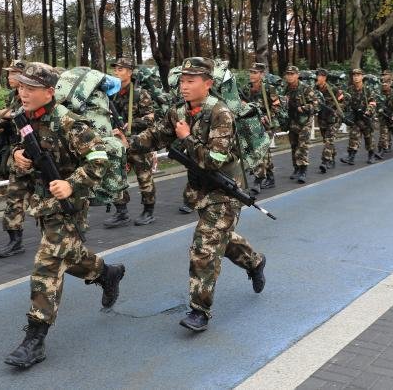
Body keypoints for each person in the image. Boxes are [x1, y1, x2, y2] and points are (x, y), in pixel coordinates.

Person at [124, 57, 266, 332]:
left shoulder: (220, 113)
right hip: (200, 189)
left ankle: (199, 311)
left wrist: (186, 137)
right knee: (220, 239)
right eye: (182, 80)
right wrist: (125, 146)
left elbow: (214, 159)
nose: (184, 86)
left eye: (191, 81)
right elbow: (157, 136)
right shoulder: (179, 111)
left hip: (225, 190)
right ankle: (255, 261)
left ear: (208, 84)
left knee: (205, 248)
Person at [4, 62, 125, 368]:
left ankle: (35, 338)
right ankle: (106, 273)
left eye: (30, 89)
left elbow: (99, 160)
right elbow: (23, 152)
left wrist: (72, 184)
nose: (23, 92)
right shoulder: (25, 118)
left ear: (49, 92)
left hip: (70, 207)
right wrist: (20, 157)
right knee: (67, 257)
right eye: (20, 87)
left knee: (46, 264)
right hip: (43, 205)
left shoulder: (71, 124)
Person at [104, 57, 157, 227]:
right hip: (118, 142)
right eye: (115, 69)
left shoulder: (140, 93)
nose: (116, 72)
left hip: (138, 142)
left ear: (130, 72)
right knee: (116, 177)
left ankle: (148, 211)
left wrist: (130, 124)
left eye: (121, 69)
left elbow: (150, 118)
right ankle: (121, 212)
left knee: (144, 178)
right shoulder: (110, 93)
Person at [0, 59, 31, 258]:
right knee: (14, 198)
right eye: (9, 74)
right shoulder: (12, 96)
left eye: (14, 73)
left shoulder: (33, 95)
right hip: (18, 154)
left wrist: (6, 114)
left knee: (51, 198)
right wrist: (0, 121)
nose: (10, 77)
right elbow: (8, 120)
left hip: (37, 154)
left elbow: (21, 114)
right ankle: (15, 241)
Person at [245, 62, 281, 193]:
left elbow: (277, 106)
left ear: (262, 74)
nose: (252, 75)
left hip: (267, 125)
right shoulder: (247, 88)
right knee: (265, 152)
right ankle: (270, 177)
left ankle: (258, 180)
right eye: (251, 72)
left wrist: (266, 115)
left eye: (255, 72)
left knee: (259, 151)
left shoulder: (269, 88)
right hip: (252, 125)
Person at [283, 65, 319, 183]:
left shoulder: (305, 88)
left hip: (305, 122)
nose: (289, 76)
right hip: (292, 121)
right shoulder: (286, 89)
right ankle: (296, 168)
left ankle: (303, 170)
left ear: (297, 75)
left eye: (292, 74)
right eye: (288, 74)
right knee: (294, 146)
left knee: (302, 146)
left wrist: (302, 108)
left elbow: (316, 105)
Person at [340, 69, 378, 165]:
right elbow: (345, 102)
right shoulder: (349, 89)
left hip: (366, 118)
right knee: (353, 136)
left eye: (358, 75)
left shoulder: (368, 90)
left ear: (362, 77)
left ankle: (371, 155)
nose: (356, 77)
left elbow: (373, 103)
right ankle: (351, 156)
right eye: (354, 75)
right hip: (356, 117)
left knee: (368, 137)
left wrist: (368, 111)